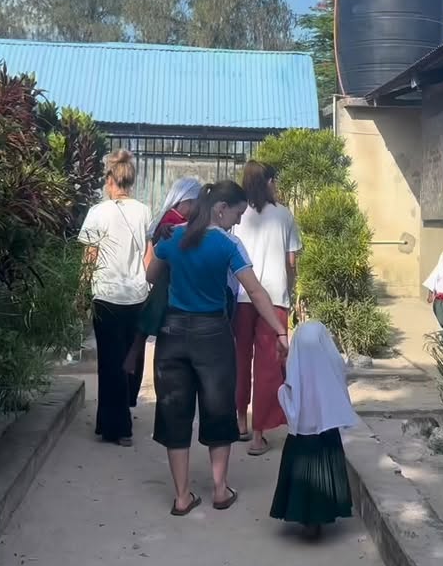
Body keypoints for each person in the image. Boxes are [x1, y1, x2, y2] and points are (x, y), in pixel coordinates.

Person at [147, 180, 289, 516]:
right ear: (221, 209)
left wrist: (164, 248)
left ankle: (182, 497)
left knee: (174, 411)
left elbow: (151, 276)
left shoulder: (172, 236)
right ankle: (220, 490)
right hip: (213, 334)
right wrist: (280, 330)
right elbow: (255, 292)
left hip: (172, 333)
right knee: (218, 409)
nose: (238, 221)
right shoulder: (228, 244)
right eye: (237, 214)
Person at [78, 149, 152, 446]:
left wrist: (81, 290)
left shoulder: (98, 212)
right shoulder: (144, 211)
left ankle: (117, 427)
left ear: (110, 179)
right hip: (136, 295)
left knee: (109, 362)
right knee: (131, 358)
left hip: (106, 295)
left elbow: (90, 255)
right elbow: (148, 254)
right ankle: (119, 416)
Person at [233, 161, 302, 455]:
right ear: (270, 182)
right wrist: (292, 289)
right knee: (267, 366)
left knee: (240, 360)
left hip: (241, 296)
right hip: (273, 299)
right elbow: (291, 261)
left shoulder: (237, 215)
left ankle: (240, 422)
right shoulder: (284, 215)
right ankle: (259, 434)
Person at [270, 321, 358, 541]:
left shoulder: (294, 370)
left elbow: (285, 395)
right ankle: (321, 516)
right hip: (327, 433)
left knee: (297, 476)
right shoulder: (332, 366)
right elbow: (340, 376)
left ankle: (303, 516)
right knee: (327, 473)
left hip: (300, 437)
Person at [123, 177, 202, 379]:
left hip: (181, 275)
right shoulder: (170, 219)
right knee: (155, 306)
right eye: (195, 203)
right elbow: (158, 242)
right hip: (168, 275)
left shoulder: (187, 220)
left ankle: (136, 350)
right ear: (185, 201)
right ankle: (135, 351)